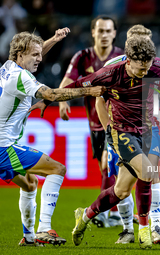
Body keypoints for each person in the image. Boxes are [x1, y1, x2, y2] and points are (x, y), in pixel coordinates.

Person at [31, 36, 160, 249]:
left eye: (147, 68)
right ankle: (145, 229)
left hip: (146, 131)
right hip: (121, 132)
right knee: (149, 172)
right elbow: (76, 86)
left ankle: (85, 215)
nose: (144, 73)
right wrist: (47, 100)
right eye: (139, 69)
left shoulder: (159, 67)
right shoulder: (110, 73)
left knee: (121, 191)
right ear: (128, 61)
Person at [0, 28, 105, 247]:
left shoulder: (9, 66)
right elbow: (52, 95)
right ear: (20, 55)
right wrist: (89, 91)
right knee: (57, 169)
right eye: (34, 55)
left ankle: (28, 238)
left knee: (30, 184)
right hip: (1, 147)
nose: (39, 58)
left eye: (40, 53)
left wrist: (53, 40)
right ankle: (44, 228)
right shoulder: (22, 78)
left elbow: (30, 52)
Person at [101, 24, 160, 245]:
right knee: (122, 181)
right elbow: (99, 101)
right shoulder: (112, 67)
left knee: (152, 175)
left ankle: (156, 227)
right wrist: (108, 134)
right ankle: (127, 230)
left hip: (150, 128)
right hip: (121, 131)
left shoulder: (158, 69)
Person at [58, 15, 125, 227]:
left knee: (108, 164)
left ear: (114, 33)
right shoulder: (82, 57)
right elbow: (67, 81)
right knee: (106, 168)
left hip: (116, 121)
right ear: (93, 32)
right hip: (95, 123)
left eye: (108, 31)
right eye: (101, 31)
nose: (104, 35)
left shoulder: (122, 57)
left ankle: (103, 213)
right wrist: (62, 101)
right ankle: (115, 212)